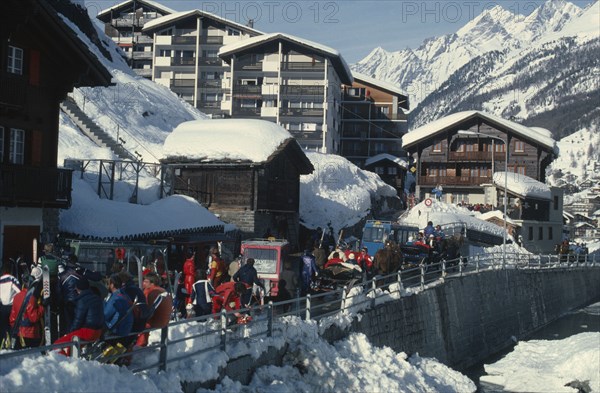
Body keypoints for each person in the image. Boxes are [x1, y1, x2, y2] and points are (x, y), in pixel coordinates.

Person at [54, 278, 104, 355]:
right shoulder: (97, 298)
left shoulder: (82, 300)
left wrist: (70, 332)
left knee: (58, 344)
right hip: (98, 331)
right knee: (72, 346)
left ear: (78, 288)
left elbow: (78, 320)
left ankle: (61, 361)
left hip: (89, 331)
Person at [136, 272, 173, 347]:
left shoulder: (150, 291)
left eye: (146, 282)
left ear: (152, 283)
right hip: (165, 319)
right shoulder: (162, 290)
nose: (143, 283)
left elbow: (144, 310)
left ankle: (140, 345)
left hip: (155, 321)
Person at [9, 273, 44, 349]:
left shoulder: (16, 296)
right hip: (30, 335)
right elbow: (33, 317)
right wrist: (41, 307)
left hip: (18, 334)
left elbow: (12, 318)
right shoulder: (31, 298)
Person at [103, 274, 133, 346]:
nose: (107, 286)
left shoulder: (115, 298)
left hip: (118, 329)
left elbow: (106, 314)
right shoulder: (124, 294)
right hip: (126, 327)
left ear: (112, 285)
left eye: (108, 283)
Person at [0, 261, 21, 345]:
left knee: (3, 326)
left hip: (2, 306)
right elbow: (19, 290)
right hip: (12, 306)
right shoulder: (12, 279)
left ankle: (3, 342)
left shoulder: (0, 279)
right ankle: (11, 343)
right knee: (12, 326)